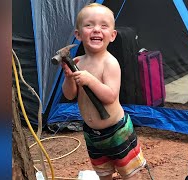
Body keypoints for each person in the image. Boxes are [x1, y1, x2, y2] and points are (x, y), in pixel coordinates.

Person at [61, 3, 146, 180]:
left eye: (104, 25)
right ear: (78, 34)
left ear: (113, 35)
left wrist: (90, 80)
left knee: (130, 173)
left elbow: (110, 96)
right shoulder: (77, 62)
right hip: (92, 133)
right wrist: (69, 77)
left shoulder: (110, 63)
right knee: (103, 172)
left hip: (116, 132)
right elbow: (70, 95)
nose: (96, 30)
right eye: (89, 25)